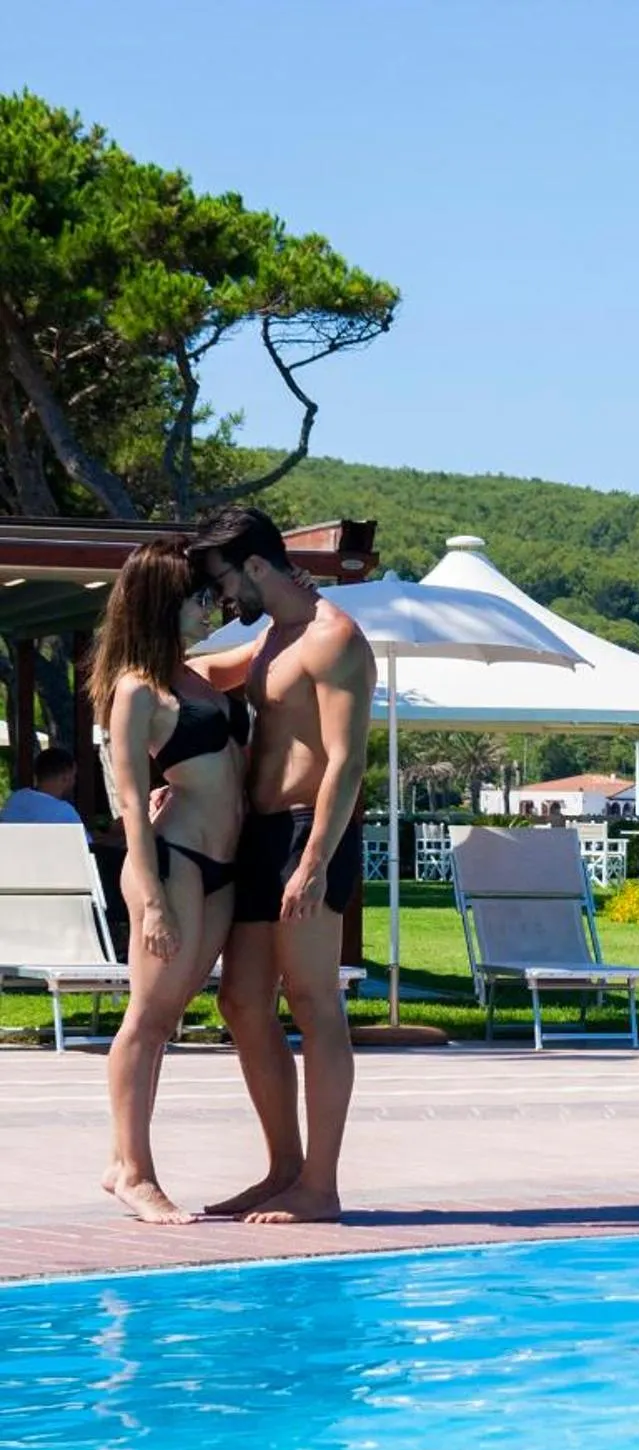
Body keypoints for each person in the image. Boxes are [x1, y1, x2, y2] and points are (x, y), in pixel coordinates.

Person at [188, 507, 374, 1225]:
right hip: (262, 836)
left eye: (224, 581)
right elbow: (207, 672)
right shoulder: (274, 637)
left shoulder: (334, 639)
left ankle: (320, 1187)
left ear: (258, 566)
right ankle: (284, 1169)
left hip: (308, 835)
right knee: (241, 1001)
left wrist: (316, 861)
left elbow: (346, 761)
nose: (222, 597)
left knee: (314, 1002)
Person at [89, 540, 249, 1224]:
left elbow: (276, 649)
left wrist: (299, 591)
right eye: (197, 598)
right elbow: (130, 798)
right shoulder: (137, 689)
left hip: (221, 865)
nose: (210, 607)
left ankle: (120, 1160)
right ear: (162, 604)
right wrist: (152, 900)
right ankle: (135, 1173)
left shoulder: (199, 676)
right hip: (173, 861)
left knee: (169, 1016)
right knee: (148, 1018)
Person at [1, 746, 84, 830]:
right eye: (74, 776)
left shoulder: (16, 799)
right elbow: (84, 838)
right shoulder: (64, 812)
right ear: (66, 777)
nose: (74, 781)